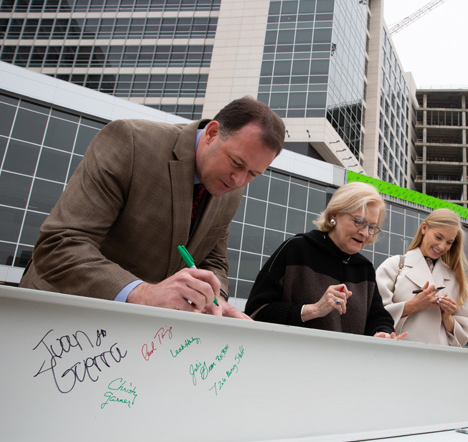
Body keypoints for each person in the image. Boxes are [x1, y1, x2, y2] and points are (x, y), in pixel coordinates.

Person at [20, 96, 284, 318]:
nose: (239, 181)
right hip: (55, 313)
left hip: (130, 334)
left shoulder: (230, 190)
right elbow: (59, 244)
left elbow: (212, 260)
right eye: (237, 163)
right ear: (212, 133)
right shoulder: (131, 142)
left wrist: (214, 300)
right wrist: (144, 293)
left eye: (253, 174)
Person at [244, 182, 403, 339]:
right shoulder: (296, 250)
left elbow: (379, 318)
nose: (365, 233)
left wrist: (382, 333)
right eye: (359, 222)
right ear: (335, 214)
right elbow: (256, 311)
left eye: (372, 227)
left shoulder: (365, 269)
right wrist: (312, 310)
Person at [376, 208, 468, 346]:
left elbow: (464, 334)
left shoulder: (457, 280)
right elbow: (374, 315)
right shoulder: (394, 266)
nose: (442, 247)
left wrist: (447, 318)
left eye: (449, 242)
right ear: (424, 228)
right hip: (397, 355)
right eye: (438, 237)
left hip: (437, 361)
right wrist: (412, 305)